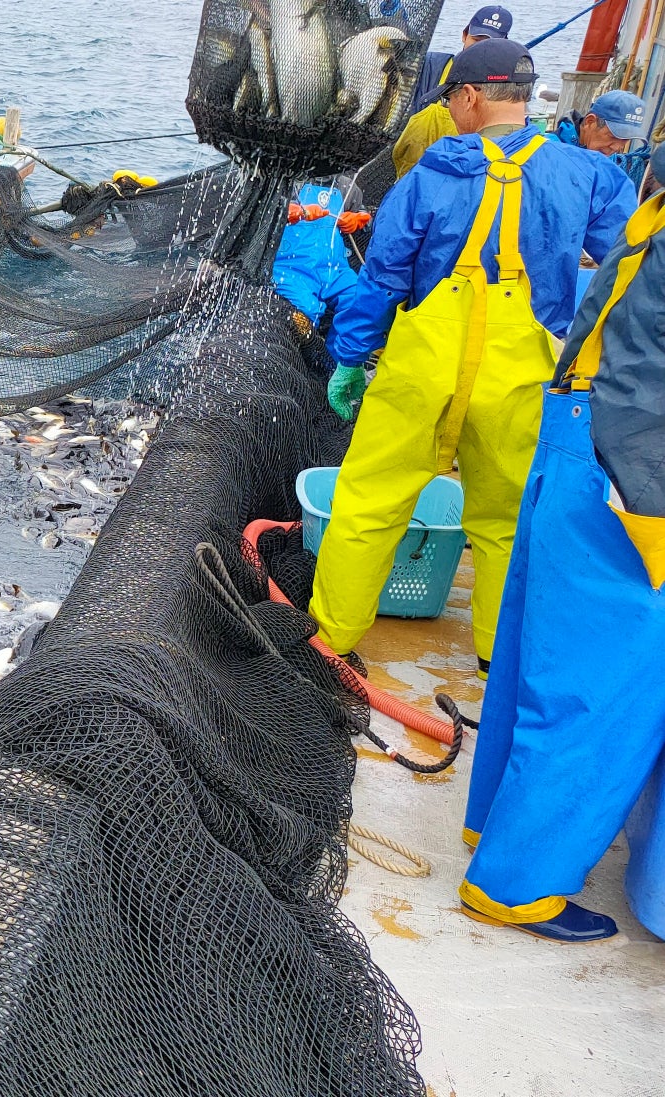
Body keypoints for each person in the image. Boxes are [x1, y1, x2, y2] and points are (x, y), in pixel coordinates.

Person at [315, 39, 634, 677]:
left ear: (468, 97)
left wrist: (350, 359)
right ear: (521, 99)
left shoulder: (429, 176)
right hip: (522, 373)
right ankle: (494, 654)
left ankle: (332, 643)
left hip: (424, 366)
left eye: (452, 102)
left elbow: (380, 283)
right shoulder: (589, 173)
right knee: (508, 519)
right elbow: (629, 261)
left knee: (369, 503)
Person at [460, 191, 665, 943]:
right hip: (633, 485)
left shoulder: (655, 219)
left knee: (531, 661)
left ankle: (494, 825)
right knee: (600, 694)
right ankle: (517, 885)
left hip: (580, 447)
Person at [392, 5, 513, 179]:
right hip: (411, 175)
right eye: (477, 40)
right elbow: (402, 53)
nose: (480, 49)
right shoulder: (430, 65)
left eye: (490, 44)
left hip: (465, 180)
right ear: (464, 35)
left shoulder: (504, 89)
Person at [271, 182, 369, 332]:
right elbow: (260, 211)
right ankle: (307, 350)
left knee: (363, 303)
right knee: (303, 312)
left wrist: (360, 219)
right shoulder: (288, 180)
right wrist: (284, 211)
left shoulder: (346, 186)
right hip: (292, 271)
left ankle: (337, 354)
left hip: (336, 271)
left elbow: (366, 216)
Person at [553, 88, 647, 159]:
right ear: (590, 121)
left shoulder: (609, 159)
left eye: (626, 139)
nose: (617, 147)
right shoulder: (549, 149)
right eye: (613, 136)